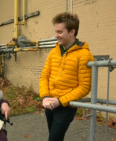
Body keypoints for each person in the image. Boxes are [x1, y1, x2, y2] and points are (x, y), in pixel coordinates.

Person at [39, 12, 94, 141]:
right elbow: (44, 77)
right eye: (56, 31)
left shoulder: (84, 55)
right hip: (50, 105)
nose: (56, 35)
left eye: (59, 32)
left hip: (65, 107)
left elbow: (85, 87)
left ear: (72, 32)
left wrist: (61, 101)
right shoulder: (54, 52)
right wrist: (45, 96)